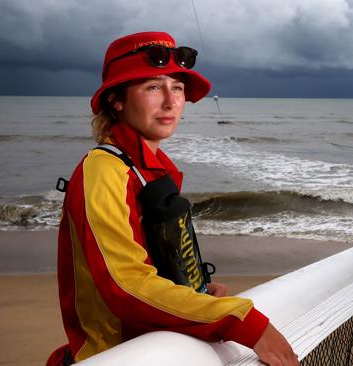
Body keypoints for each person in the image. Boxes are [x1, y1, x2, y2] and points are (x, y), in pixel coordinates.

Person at [47, 31, 298, 366]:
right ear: (116, 100)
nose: (170, 102)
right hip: (118, 355)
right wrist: (239, 320)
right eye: (153, 87)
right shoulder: (105, 171)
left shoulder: (150, 167)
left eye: (177, 88)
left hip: (161, 342)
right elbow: (127, 287)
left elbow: (156, 262)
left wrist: (196, 295)